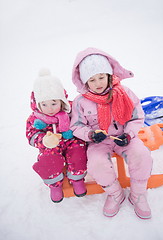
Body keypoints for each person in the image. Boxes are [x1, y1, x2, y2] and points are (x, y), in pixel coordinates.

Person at [70, 47, 153, 219]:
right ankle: (115, 193)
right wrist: (91, 135)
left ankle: (138, 193)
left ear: (109, 75)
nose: (98, 83)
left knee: (142, 154)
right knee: (96, 164)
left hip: (124, 136)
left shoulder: (125, 93)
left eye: (101, 77)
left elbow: (137, 117)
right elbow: (76, 125)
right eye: (92, 80)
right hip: (99, 142)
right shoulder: (80, 102)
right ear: (85, 82)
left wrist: (129, 134)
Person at [26, 68, 87, 203]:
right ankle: (55, 185)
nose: (50, 108)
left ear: (62, 101)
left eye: (54, 103)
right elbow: (31, 135)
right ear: (37, 104)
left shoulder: (71, 110)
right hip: (50, 146)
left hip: (70, 141)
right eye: (44, 104)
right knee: (48, 158)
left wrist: (77, 134)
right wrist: (44, 140)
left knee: (79, 151)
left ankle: (77, 179)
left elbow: (81, 122)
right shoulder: (35, 119)